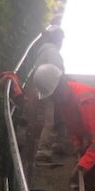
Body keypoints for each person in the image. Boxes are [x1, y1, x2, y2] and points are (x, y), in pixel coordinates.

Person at [34, 25, 66, 163]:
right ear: (57, 39)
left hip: (43, 87)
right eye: (60, 39)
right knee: (51, 119)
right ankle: (43, 149)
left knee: (56, 115)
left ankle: (57, 143)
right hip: (52, 87)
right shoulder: (52, 51)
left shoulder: (43, 51)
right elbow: (57, 69)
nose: (61, 42)